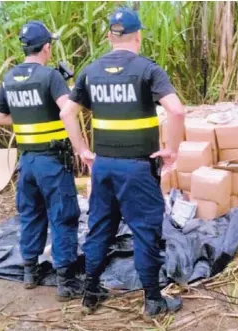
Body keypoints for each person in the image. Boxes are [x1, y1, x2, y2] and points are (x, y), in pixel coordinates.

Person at [58, 7, 186, 319]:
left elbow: (66, 112)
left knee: (100, 226)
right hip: (137, 168)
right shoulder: (147, 69)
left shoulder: (91, 71)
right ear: (138, 35)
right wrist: (171, 149)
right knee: (145, 230)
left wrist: (82, 150)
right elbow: (177, 111)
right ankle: (154, 301)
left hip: (103, 167)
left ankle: (90, 292)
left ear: (109, 37)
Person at [0, 21, 86, 302]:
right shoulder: (50, 77)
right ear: (46, 47)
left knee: (31, 214)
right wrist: (82, 149)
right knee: (63, 215)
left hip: (27, 162)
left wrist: (27, 119)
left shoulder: (9, 79)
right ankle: (65, 281)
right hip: (53, 162)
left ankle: (30, 272)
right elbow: (67, 111)